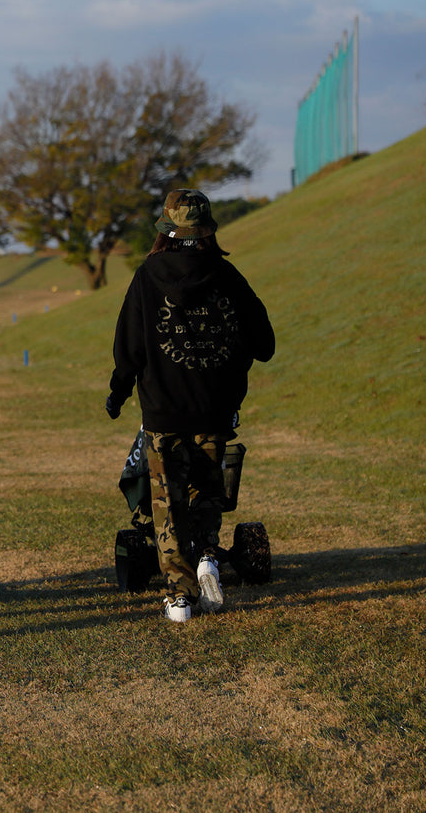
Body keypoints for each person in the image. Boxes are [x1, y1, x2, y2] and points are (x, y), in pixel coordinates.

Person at [106, 189, 274, 623]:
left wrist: (118, 391)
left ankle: (180, 596)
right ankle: (207, 558)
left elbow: (130, 348)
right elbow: (265, 344)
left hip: (163, 411)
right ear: (207, 231)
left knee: (168, 503)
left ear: (166, 229)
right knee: (207, 490)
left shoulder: (146, 277)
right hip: (216, 409)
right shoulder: (228, 276)